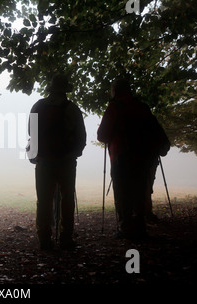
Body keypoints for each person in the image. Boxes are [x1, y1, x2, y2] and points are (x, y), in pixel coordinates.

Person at [97, 78, 166, 239]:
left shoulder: (114, 108)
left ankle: (126, 228)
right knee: (140, 193)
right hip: (143, 158)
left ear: (115, 91)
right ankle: (140, 228)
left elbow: (102, 136)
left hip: (121, 157)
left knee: (122, 194)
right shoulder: (142, 107)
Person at [29, 73, 86, 250]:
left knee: (43, 200)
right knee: (67, 199)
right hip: (66, 161)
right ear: (65, 90)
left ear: (51, 89)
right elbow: (81, 136)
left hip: (44, 161)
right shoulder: (72, 109)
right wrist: (75, 153)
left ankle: (44, 239)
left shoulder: (38, 106)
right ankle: (66, 238)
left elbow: (31, 132)